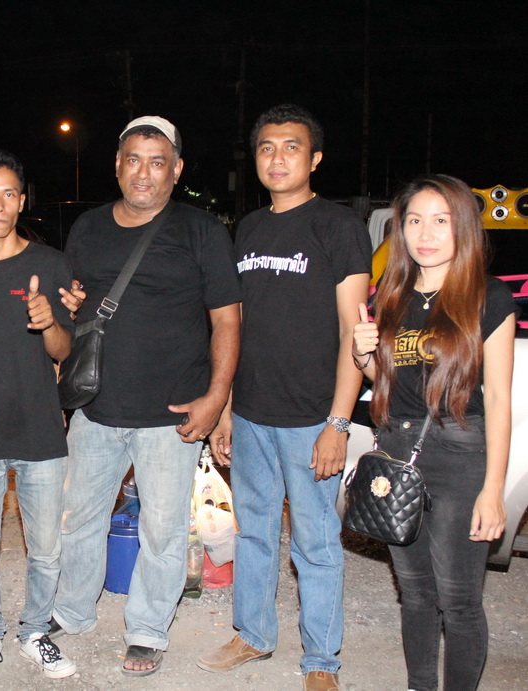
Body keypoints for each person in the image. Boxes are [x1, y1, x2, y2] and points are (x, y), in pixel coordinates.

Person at [50, 116, 241, 677]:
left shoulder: (202, 229)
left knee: (162, 530)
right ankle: (72, 610)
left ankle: (148, 629)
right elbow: (72, 311)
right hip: (96, 408)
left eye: (158, 162)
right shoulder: (87, 227)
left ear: (176, 171)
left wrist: (217, 399)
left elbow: (227, 320)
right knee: (78, 519)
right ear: (117, 164)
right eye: (133, 159)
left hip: (172, 413)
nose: (144, 172)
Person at [197, 104, 371, 691]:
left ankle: (321, 661)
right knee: (252, 532)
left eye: (291, 147)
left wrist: (338, 423)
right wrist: (225, 408)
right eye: (266, 147)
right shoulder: (247, 228)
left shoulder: (339, 226)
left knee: (315, 542)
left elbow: (353, 332)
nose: (277, 158)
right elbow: (235, 324)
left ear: (314, 158)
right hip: (250, 414)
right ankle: (253, 634)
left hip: (311, 418)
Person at [352, 175, 515, 691]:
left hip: (460, 453)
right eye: (415, 221)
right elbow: (387, 381)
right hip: (399, 450)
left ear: (462, 227)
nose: (426, 233)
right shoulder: (393, 293)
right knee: (416, 593)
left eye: (441, 221)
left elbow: (500, 400)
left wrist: (493, 490)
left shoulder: (488, 296)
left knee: (458, 599)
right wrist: (362, 354)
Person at [0, 150, 77, 682]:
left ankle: (34, 632)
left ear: (22, 201)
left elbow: (63, 351)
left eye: (8, 194)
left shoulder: (51, 265)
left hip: (40, 428)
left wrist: (48, 321)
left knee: (45, 548)